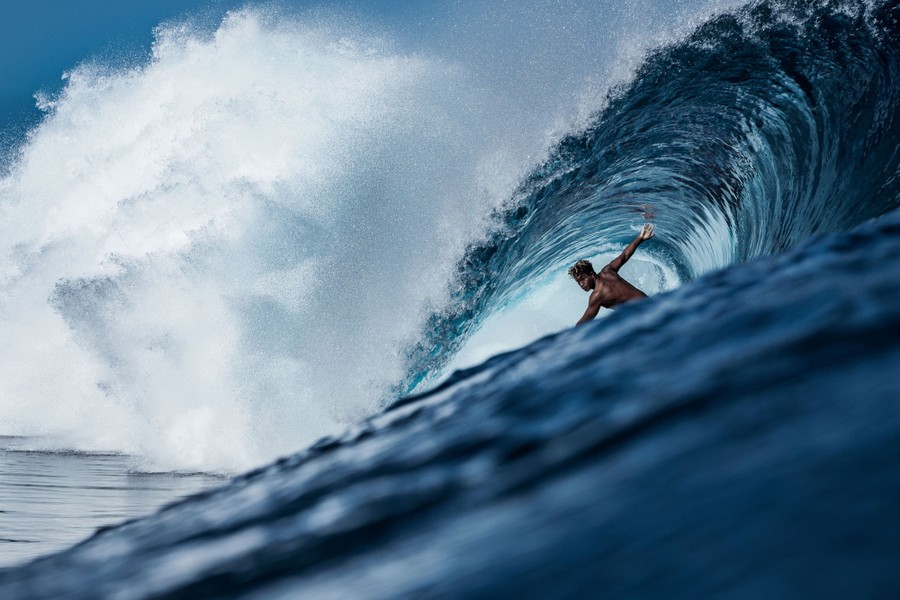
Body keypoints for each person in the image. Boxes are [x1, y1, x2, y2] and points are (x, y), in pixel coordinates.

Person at [569, 224, 654, 325]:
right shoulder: (607, 270)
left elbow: (584, 321)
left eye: (583, 279)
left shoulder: (597, 295)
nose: (581, 284)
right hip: (649, 303)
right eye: (578, 282)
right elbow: (624, 256)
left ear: (591, 274)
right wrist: (640, 238)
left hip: (643, 315)